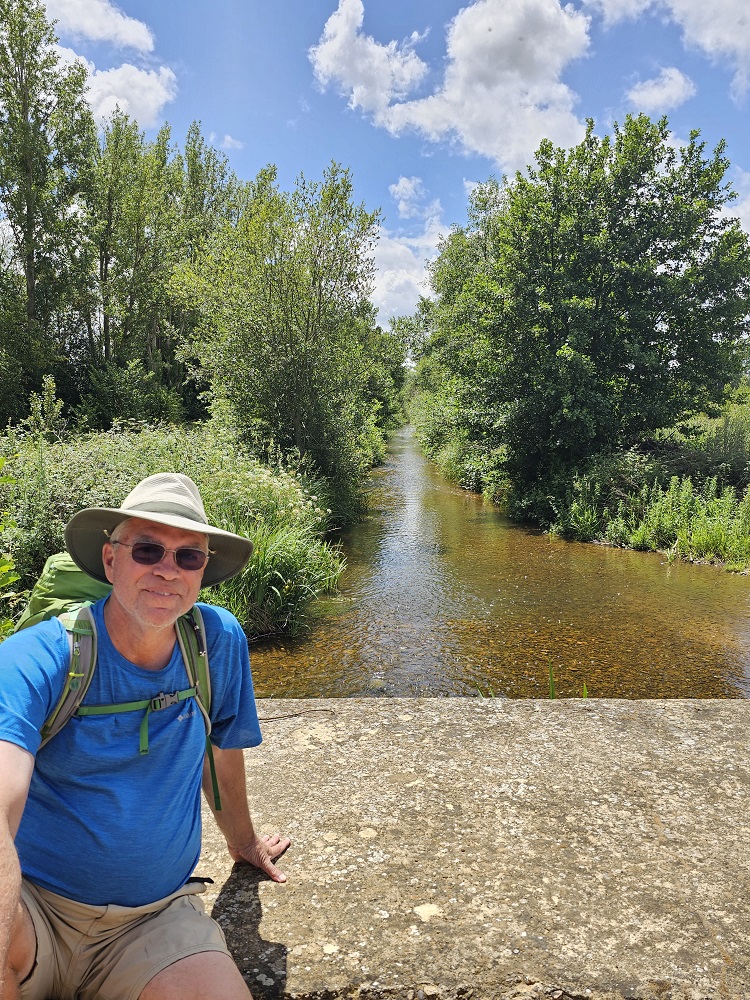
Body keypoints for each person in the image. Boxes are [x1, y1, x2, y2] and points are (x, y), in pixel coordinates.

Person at [0, 472, 290, 1000]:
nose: (167, 569)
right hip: (33, 910)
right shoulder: (39, 656)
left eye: (188, 556)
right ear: (111, 560)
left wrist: (243, 841)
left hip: (155, 921)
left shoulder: (216, 642)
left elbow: (221, 750)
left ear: (202, 571)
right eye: (148, 549)